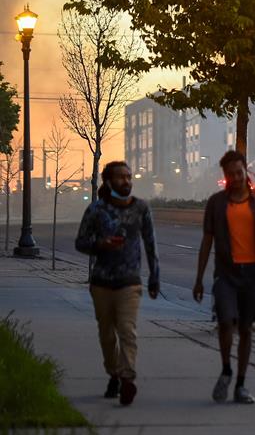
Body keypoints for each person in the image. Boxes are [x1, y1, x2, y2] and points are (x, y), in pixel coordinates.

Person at [193, 150, 255, 404]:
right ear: (225, 176)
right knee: (225, 323)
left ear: (246, 172)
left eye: (239, 173)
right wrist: (199, 279)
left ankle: (240, 383)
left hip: (252, 274)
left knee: (246, 328)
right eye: (230, 174)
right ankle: (226, 369)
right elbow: (207, 241)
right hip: (226, 274)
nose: (236, 178)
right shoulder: (216, 203)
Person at [75, 161, 159, 406]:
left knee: (127, 330)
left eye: (129, 176)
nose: (127, 181)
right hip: (102, 282)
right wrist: (101, 245)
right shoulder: (96, 210)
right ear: (109, 182)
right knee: (107, 335)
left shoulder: (141, 208)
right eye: (121, 177)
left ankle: (128, 378)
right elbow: (80, 242)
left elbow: (151, 244)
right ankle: (113, 373)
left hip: (129, 282)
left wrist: (155, 276)